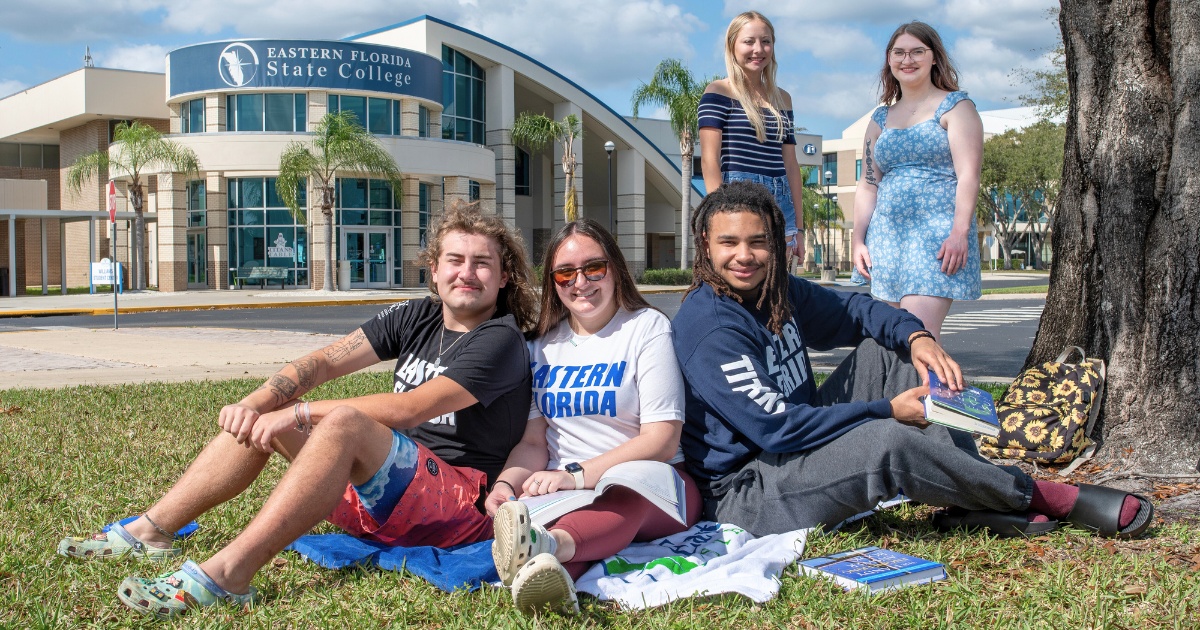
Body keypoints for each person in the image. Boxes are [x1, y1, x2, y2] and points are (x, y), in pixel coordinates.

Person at [56, 202, 539, 619]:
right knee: (277, 407)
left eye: (482, 264)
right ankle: (152, 530)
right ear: (433, 268)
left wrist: (300, 414)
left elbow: (410, 408)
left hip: (456, 506)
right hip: (387, 494)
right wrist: (256, 404)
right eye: (454, 260)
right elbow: (325, 360)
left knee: (345, 421)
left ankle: (228, 576)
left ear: (503, 276)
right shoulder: (418, 314)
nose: (466, 273)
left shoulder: (500, 338)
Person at [674, 181, 1153, 543]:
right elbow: (776, 428)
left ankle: (969, 494)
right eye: (728, 243)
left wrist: (919, 336)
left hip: (792, 449)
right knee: (888, 439)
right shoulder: (710, 326)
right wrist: (885, 410)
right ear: (704, 243)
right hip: (747, 490)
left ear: (776, 242)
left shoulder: (774, 288)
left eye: (757, 242)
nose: (744, 256)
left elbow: (858, 310)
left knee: (890, 352)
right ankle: (1046, 496)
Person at [483, 219, 701, 615]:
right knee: (571, 532)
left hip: (658, 485)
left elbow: (662, 439)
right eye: (566, 272)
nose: (579, 282)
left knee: (623, 489)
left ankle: (544, 543)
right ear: (553, 282)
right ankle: (549, 574)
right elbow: (533, 442)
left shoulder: (646, 328)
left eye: (593, 268)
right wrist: (505, 485)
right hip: (570, 495)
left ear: (615, 268)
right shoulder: (541, 346)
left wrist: (577, 475)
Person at [850, 21, 984, 340]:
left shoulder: (956, 106)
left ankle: (932, 391)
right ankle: (912, 393)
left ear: (934, 57)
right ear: (889, 59)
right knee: (891, 340)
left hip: (937, 239)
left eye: (916, 52)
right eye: (899, 52)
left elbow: (968, 175)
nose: (907, 59)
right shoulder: (880, 119)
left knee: (918, 336)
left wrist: (959, 232)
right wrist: (858, 241)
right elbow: (868, 185)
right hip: (887, 241)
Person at [699, 10, 805, 265]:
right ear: (732, 45)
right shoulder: (718, 92)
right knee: (742, 278)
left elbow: (790, 165)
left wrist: (799, 228)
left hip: (780, 200)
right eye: (749, 41)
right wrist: (718, 215)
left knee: (779, 286)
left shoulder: (783, 98)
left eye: (765, 41)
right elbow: (710, 160)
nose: (758, 49)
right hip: (736, 195)